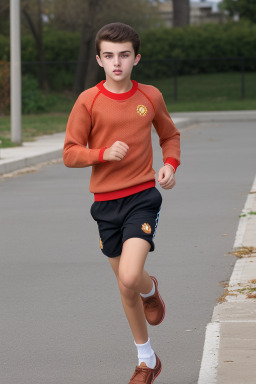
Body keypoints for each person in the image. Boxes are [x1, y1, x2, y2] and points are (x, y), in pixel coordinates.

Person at [63, 22, 180, 384]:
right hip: (105, 205)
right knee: (125, 286)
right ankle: (148, 359)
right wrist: (101, 153)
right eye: (110, 56)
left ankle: (148, 289)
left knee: (130, 276)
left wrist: (170, 165)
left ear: (136, 58)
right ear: (99, 59)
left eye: (124, 55)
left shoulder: (150, 97)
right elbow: (69, 153)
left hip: (142, 197)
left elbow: (169, 135)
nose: (117, 63)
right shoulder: (89, 100)